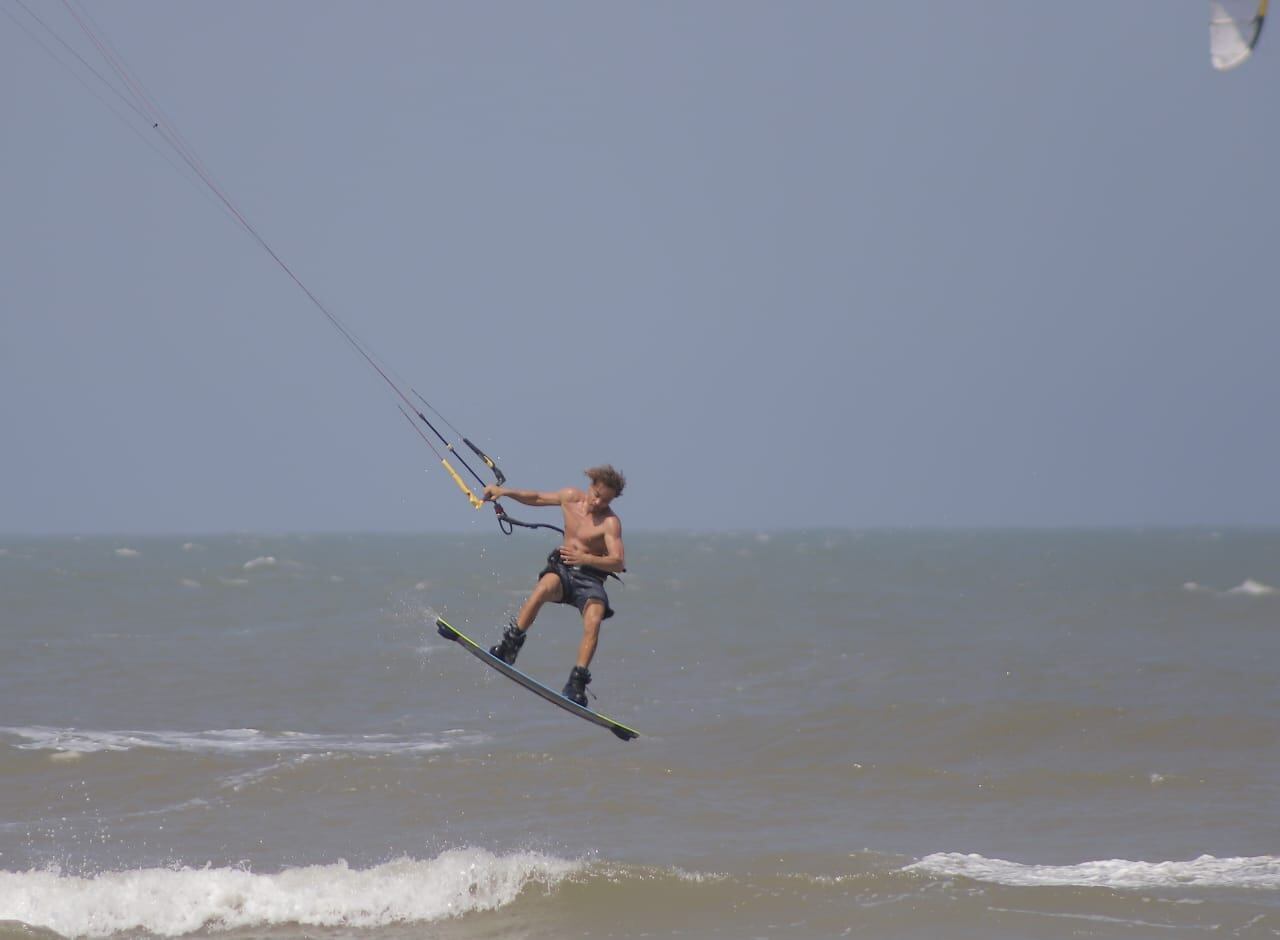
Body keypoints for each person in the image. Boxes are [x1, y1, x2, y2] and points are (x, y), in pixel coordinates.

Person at [482, 465, 626, 706]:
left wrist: (586, 559)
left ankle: (576, 683)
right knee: (542, 589)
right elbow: (537, 497)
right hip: (564, 571)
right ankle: (510, 646)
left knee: (594, 620)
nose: (599, 502)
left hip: (591, 578)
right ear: (590, 487)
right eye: (598, 495)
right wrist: (503, 492)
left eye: (606, 500)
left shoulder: (610, 523)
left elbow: (618, 562)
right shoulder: (570, 497)